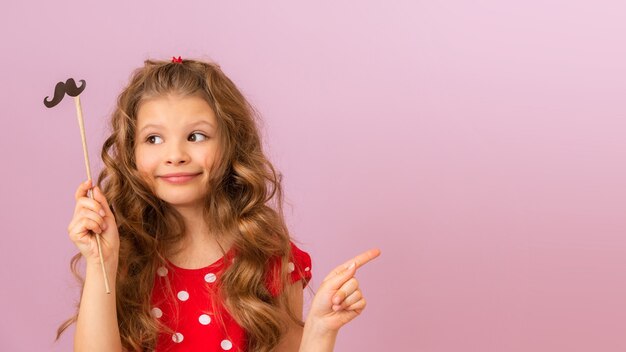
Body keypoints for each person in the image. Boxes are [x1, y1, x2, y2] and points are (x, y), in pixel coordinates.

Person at [57, 57, 381, 352]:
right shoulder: (122, 257)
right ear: (131, 152)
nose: (175, 155)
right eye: (153, 138)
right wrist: (103, 263)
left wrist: (321, 330)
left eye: (196, 136)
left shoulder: (270, 259)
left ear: (231, 143)